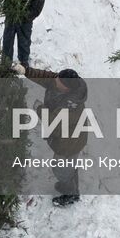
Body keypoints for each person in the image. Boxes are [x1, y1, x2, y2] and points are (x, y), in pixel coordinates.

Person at [23, 66, 88, 206]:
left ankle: (71, 194)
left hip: (70, 141)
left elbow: (54, 124)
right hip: (68, 135)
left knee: (60, 169)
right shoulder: (66, 81)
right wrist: (25, 71)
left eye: (58, 80)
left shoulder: (71, 106)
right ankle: (69, 182)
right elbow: (46, 77)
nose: (55, 80)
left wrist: (39, 108)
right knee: (67, 167)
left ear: (66, 89)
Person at [1, 0, 45, 70]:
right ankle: (5, 64)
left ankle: (24, 64)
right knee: (8, 40)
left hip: (25, 20)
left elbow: (36, 10)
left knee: (24, 42)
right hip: (11, 14)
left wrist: (23, 16)